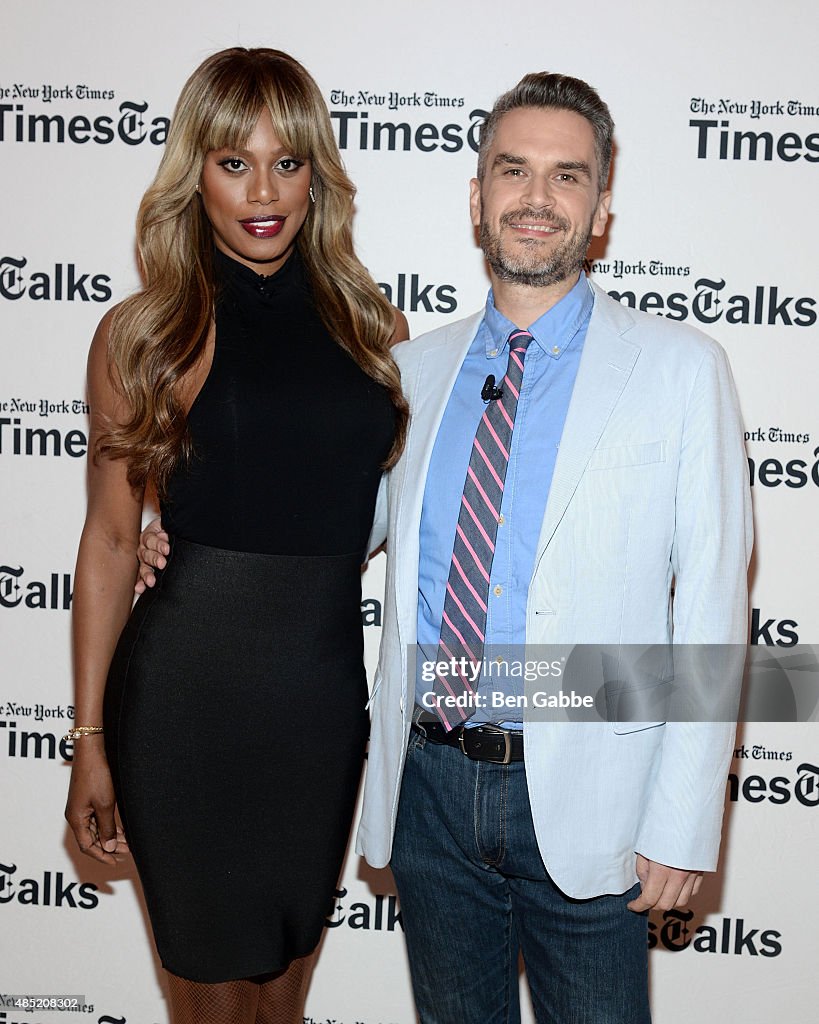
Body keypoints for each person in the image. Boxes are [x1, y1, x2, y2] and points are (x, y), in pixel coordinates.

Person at [139, 73, 752, 1024]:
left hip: (592, 804)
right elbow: (322, 514)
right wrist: (174, 524)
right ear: (476, 199)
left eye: (567, 177)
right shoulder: (408, 371)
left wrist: (684, 818)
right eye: (512, 170)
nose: (536, 198)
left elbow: (714, 602)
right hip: (428, 795)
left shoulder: (677, 370)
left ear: (600, 212)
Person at [65, 47, 408, 1024]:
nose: (263, 191)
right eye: (232, 161)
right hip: (186, 706)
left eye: (287, 162)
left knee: (285, 1004)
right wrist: (89, 743)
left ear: (317, 174)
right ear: (194, 171)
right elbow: (107, 544)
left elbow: (384, 509)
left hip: (320, 711)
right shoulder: (146, 337)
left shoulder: (373, 330)